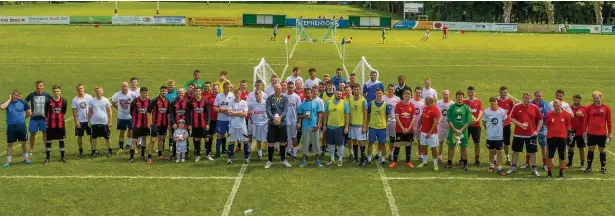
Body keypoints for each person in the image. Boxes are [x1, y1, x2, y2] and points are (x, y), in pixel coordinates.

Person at [506, 92, 543, 176]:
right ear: (522, 98)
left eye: (528, 98)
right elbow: (511, 118)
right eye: (525, 98)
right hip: (518, 134)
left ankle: (534, 169)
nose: (527, 100)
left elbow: (541, 119)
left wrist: (537, 131)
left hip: (531, 135)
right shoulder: (517, 106)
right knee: (515, 151)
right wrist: (520, 125)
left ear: (531, 99)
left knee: (532, 152)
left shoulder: (535, 107)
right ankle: (513, 167)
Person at [584, 91, 612, 174]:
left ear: (601, 98)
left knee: (602, 150)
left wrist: (610, 133)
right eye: (594, 98)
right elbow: (585, 120)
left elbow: (609, 121)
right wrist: (584, 131)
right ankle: (589, 167)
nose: (596, 100)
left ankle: (603, 167)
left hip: (602, 133)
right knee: (591, 149)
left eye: (597, 98)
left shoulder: (606, 108)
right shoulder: (588, 108)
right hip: (591, 133)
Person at [265, 84, 291, 168]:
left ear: (282, 89)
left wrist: (280, 117)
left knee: (283, 142)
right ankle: (269, 160)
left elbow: (285, 110)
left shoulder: (285, 98)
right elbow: (268, 110)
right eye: (277, 89)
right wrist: (273, 118)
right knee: (271, 143)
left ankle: (283, 160)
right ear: (274, 89)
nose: (278, 90)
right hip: (272, 124)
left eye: (280, 89)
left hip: (282, 123)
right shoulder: (269, 99)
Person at [445, 91, 472, 170]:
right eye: (458, 97)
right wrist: (454, 129)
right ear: (456, 98)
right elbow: (449, 119)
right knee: (451, 147)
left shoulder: (466, 107)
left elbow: (468, 120)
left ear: (463, 98)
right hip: (453, 132)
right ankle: (449, 163)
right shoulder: (452, 107)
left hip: (463, 132)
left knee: (463, 148)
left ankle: (465, 164)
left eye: (461, 97)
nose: (460, 98)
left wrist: (461, 130)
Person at [545, 100, 571, 178]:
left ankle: (561, 173)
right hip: (551, 138)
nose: (556, 107)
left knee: (562, 156)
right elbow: (547, 125)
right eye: (555, 106)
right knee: (550, 156)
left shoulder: (566, 115)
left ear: (561, 105)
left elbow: (567, 127)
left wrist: (561, 133)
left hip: (562, 138)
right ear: (553, 106)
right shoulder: (549, 114)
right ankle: (549, 173)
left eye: (558, 106)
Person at [323, 88, 349, 166]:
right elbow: (326, 114)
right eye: (337, 94)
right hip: (330, 126)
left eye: (340, 94)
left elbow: (347, 115)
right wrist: (324, 125)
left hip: (340, 127)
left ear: (342, 95)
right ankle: (332, 159)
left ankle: (340, 160)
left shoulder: (345, 103)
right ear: (335, 93)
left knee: (340, 144)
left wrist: (346, 127)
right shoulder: (328, 102)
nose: (339, 95)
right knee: (330, 143)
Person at [391, 89, 416, 168]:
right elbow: (397, 118)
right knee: (397, 144)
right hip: (399, 129)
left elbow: (413, 118)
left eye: (409, 94)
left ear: (411, 96)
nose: (407, 96)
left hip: (409, 130)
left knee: (408, 144)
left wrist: (408, 128)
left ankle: (408, 161)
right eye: (406, 94)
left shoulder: (412, 105)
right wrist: (402, 128)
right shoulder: (398, 105)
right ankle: (394, 161)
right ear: (403, 95)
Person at [482, 96, 507, 176]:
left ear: (497, 102)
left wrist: (500, 128)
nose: (493, 103)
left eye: (495, 101)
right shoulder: (486, 112)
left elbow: (504, 121)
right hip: (490, 136)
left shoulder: (502, 111)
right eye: (492, 101)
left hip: (499, 136)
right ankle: (492, 166)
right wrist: (488, 129)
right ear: (490, 102)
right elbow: (484, 122)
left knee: (499, 152)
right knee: (491, 151)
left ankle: (500, 168)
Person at [298, 88, 324, 166]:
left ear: (312, 93)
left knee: (316, 143)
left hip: (314, 126)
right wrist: (304, 116)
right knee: (305, 143)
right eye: (306, 93)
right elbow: (299, 116)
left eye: (309, 93)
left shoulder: (316, 103)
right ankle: (304, 160)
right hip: (305, 126)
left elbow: (319, 114)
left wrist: (319, 124)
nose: (308, 95)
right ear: (304, 94)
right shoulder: (302, 104)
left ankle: (317, 159)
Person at [25, 80, 51, 156]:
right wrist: (28, 111)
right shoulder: (32, 95)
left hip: (44, 119)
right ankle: (31, 149)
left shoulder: (47, 95)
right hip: (34, 118)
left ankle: (47, 148)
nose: (39, 87)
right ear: (35, 86)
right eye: (37, 85)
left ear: (43, 86)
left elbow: (52, 105)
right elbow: (24, 102)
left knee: (45, 133)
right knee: (32, 134)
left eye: (40, 85)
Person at [146, 86, 171, 164]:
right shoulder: (155, 100)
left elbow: (168, 114)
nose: (164, 92)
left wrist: (169, 124)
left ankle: (160, 154)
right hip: (155, 124)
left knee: (161, 139)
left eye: (165, 91)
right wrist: (149, 122)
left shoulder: (168, 101)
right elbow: (148, 111)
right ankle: (149, 156)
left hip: (164, 124)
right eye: (163, 91)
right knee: (153, 140)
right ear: (160, 91)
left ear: (167, 92)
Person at [43, 85, 68, 164]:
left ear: (60, 92)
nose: (56, 93)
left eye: (57, 91)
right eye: (54, 91)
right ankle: (47, 158)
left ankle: (62, 157)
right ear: (52, 92)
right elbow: (45, 112)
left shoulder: (64, 101)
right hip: (51, 125)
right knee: (49, 141)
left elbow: (63, 112)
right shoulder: (48, 101)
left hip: (60, 125)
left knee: (61, 140)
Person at [366, 88, 391, 166]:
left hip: (382, 127)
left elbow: (387, 116)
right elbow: (368, 114)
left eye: (380, 93)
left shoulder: (386, 104)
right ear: (375, 94)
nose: (379, 95)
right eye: (377, 93)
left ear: (382, 94)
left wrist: (383, 123)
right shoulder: (371, 103)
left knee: (382, 143)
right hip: (373, 127)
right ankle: (369, 157)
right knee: (370, 143)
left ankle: (383, 158)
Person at [88, 86, 114, 158]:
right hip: (94, 122)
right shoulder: (92, 101)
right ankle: (93, 152)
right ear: (95, 92)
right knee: (93, 138)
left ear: (102, 92)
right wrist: (89, 121)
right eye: (97, 91)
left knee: (107, 137)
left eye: (99, 91)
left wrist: (110, 121)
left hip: (104, 122)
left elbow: (109, 112)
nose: (98, 92)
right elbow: (90, 111)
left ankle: (110, 151)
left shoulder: (106, 100)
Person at [111, 82, 136, 153]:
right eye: (123, 87)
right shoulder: (117, 95)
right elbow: (113, 103)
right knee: (121, 132)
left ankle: (129, 144)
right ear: (121, 87)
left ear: (128, 87)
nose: (124, 88)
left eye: (126, 86)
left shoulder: (132, 94)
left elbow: (136, 103)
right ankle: (121, 147)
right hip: (121, 117)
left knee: (130, 131)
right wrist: (118, 108)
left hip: (130, 117)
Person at [529, 90, 550, 171]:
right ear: (534, 96)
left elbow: (547, 115)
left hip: (542, 127)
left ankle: (545, 164)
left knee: (543, 146)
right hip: (532, 127)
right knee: (530, 145)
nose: (538, 97)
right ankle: (528, 163)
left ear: (542, 96)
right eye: (537, 96)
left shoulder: (545, 104)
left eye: (540, 96)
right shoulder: (531, 103)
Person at [227, 88, 249, 164]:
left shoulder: (244, 103)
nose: (237, 95)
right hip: (232, 126)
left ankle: (246, 158)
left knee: (245, 141)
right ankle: (230, 158)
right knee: (231, 142)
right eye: (236, 93)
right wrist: (240, 112)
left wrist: (234, 113)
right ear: (234, 94)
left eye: (238, 93)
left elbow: (245, 114)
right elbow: (229, 113)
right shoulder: (230, 103)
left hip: (242, 126)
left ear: (240, 94)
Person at [128, 88, 150, 163]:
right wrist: (136, 119)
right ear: (141, 93)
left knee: (144, 138)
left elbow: (150, 112)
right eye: (145, 93)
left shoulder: (149, 101)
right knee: (134, 140)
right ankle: (131, 157)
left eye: (147, 93)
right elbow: (131, 112)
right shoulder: (135, 101)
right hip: (136, 124)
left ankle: (142, 155)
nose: (146, 95)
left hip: (145, 124)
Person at [214, 82, 235, 158]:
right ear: (223, 87)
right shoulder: (219, 96)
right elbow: (215, 108)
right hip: (221, 120)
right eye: (227, 87)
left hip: (230, 120)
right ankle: (217, 153)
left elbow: (235, 106)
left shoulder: (232, 95)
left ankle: (230, 152)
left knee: (231, 137)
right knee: (219, 136)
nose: (229, 89)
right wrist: (223, 110)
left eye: (230, 87)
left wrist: (230, 112)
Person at [347, 83, 367, 164]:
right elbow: (348, 113)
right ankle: (355, 157)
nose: (356, 90)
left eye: (357, 89)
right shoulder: (350, 100)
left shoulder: (363, 100)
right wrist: (348, 125)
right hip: (352, 125)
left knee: (360, 141)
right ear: (352, 90)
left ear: (360, 90)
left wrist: (365, 126)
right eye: (354, 89)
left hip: (360, 125)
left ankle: (363, 157)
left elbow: (366, 115)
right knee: (354, 141)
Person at [170, 88, 191, 160]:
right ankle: (174, 154)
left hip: (184, 125)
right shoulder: (173, 103)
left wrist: (188, 124)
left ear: (184, 94)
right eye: (179, 93)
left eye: (182, 93)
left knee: (185, 139)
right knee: (175, 139)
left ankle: (186, 153)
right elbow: (172, 114)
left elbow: (188, 114)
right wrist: (173, 123)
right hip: (176, 125)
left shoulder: (188, 102)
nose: (181, 94)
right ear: (177, 94)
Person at [464, 86, 483, 166]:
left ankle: (477, 159)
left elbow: (481, 111)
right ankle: (463, 159)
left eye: (472, 92)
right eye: (469, 92)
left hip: (476, 126)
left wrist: (477, 119)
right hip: (466, 126)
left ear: (474, 93)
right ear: (467, 93)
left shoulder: (478, 101)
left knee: (477, 143)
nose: (471, 94)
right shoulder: (464, 102)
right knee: (464, 143)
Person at [72, 84, 93, 157]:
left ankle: (93, 149)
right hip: (80, 120)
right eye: (78, 89)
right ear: (77, 90)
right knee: (79, 136)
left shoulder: (89, 97)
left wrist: (92, 118)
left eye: (81, 88)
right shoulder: (75, 100)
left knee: (92, 135)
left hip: (89, 120)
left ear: (84, 89)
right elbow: (74, 111)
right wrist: (76, 121)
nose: (80, 90)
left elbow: (92, 107)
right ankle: (81, 150)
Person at [567, 94, 587, 170]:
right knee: (570, 147)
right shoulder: (569, 108)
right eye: (575, 100)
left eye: (578, 100)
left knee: (581, 148)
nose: (576, 102)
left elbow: (584, 117)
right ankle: (570, 163)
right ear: (573, 100)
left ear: (580, 100)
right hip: (571, 131)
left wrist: (581, 115)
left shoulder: (583, 108)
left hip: (580, 132)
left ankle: (582, 164)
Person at [191, 88, 211, 161]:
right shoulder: (190, 101)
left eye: (199, 91)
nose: (198, 92)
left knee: (206, 139)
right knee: (197, 139)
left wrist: (208, 123)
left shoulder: (205, 101)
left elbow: (208, 113)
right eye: (196, 91)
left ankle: (207, 154)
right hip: (195, 124)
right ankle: (198, 155)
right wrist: (189, 124)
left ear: (201, 92)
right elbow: (188, 113)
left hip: (204, 124)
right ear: (194, 92)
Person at [497, 86, 515, 165]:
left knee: (506, 143)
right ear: (499, 92)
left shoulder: (510, 101)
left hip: (507, 124)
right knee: (496, 142)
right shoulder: (496, 100)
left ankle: (508, 159)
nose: (503, 94)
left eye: (505, 92)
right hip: (497, 125)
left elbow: (512, 112)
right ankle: (494, 159)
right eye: (502, 92)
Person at [249, 91, 268, 161]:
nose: (258, 98)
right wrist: (249, 112)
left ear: (261, 95)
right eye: (256, 97)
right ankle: (259, 154)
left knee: (267, 139)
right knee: (258, 139)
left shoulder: (265, 102)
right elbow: (248, 109)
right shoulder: (252, 103)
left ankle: (268, 151)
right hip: (256, 124)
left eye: (259, 96)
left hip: (265, 124)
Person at [285, 81, 302, 159]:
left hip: (293, 121)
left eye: (292, 87)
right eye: (289, 87)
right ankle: (287, 152)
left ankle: (294, 154)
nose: (290, 89)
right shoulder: (284, 96)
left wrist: (299, 122)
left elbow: (300, 111)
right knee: (286, 138)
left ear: (294, 87)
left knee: (294, 137)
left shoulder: (297, 97)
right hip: (285, 121)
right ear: (287, 87)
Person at [384, 84, 401, 161]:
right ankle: (380, 153)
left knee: (392, 139)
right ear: (387, 90)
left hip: (394, 121)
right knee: (382, 139)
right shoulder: (383, 98)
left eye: (392, 89)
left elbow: (400, 110)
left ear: (394, 90)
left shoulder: (397, 99)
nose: (391, 91)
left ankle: (391, 153)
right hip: (384, 121)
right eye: (389, 89)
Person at [436, 89, 452, 162]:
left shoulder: (452, 104)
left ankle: (449, 158)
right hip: (440, 126)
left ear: (449, 94)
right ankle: (439, 156)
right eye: (444, 94)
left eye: (446, 94)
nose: (445, 96)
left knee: (449, 143)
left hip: (449, 127)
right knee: (440, 142)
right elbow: (436, 113)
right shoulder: (438, 103)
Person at [411, 87, 426, 163]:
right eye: (417, 92)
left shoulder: (423, 102)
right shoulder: (410, 101)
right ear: (414, 93)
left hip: (420, 126)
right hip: (410, 126)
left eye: (419, 93)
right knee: (409, 142)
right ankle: (408, 156)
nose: (418, 94)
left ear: (421, 93)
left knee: (420, 142)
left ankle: (421, 155)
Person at [204, 83, 218, 160]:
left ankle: (220, 151)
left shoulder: (221, 97)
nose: (215, 90)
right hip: (211, 119)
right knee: (210, 135)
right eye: (214, 89)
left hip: (219, 119)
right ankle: (208, 151)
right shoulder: (209, 98)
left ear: (218, 89)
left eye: (216, 89)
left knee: (220, 135)